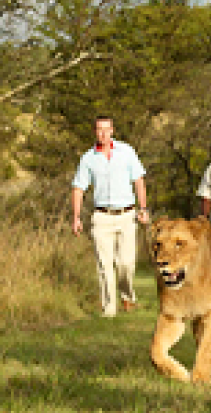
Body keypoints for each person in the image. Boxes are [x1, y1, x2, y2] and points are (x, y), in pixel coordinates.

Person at [71, 115, 150, 317]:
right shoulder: (88, 158)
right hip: (102, 217)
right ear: (95, 132)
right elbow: (79, 188)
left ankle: (127, 296)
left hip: (126, 214)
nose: (103, 133)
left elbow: (139, 180)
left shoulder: (126, 151)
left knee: (126, 263)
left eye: (107, 129)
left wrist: (143, 208)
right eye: (99, 129)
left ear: (113, 130)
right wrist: (76, 217)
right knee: (104, 265)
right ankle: (109, 309)